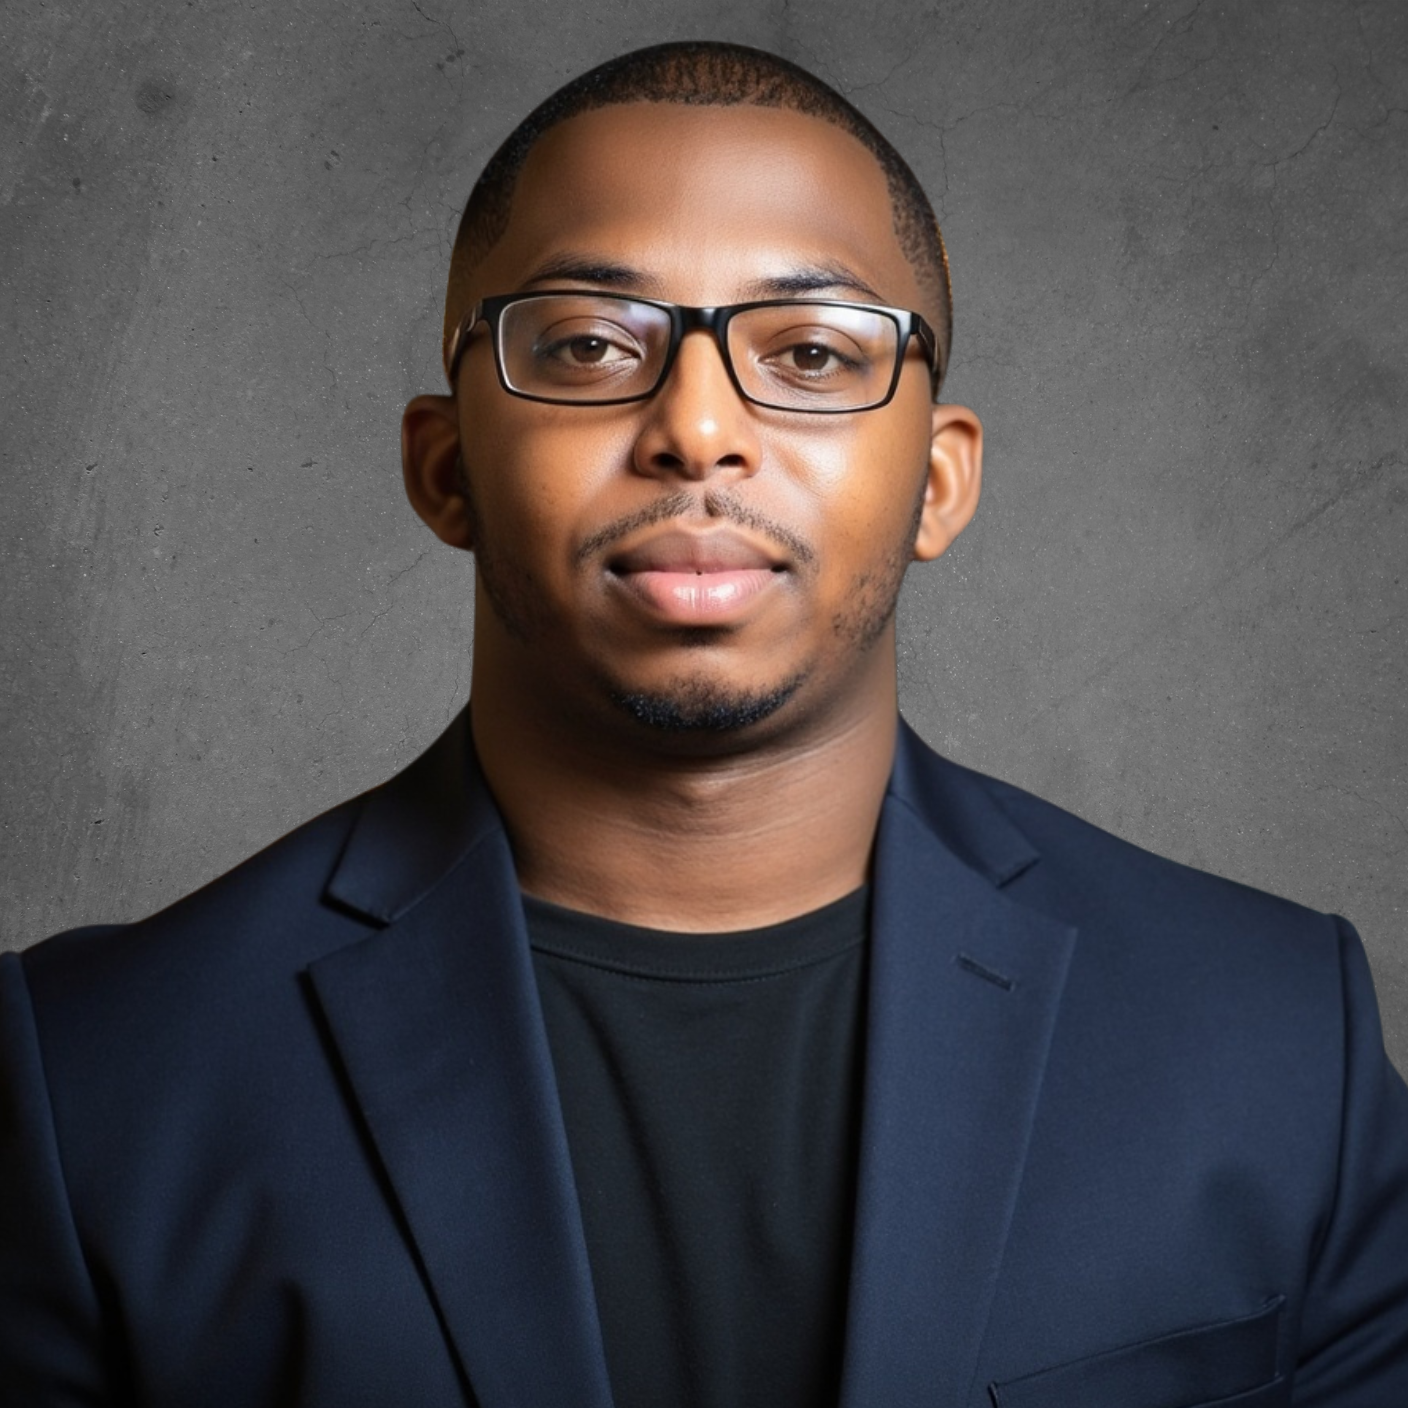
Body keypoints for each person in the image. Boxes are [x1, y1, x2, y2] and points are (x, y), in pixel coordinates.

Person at [2, 38, 1405, 1408]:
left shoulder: (1276, 1043)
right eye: (592, 344)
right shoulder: (91, 1080)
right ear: (442, 470)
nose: (698, 427)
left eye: (808, 350)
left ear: (937, 482)